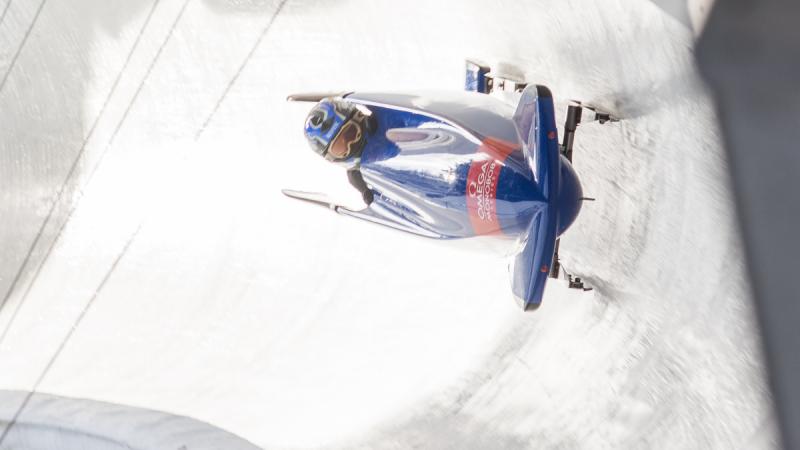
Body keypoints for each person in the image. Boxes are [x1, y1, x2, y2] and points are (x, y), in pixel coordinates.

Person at [303, 98, 375, 204]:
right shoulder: (356, 176)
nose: (350, 145)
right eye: (340, 147)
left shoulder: (383, 121)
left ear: (358, 119)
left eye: (350, 133)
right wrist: (366, 192)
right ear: (332, 156)